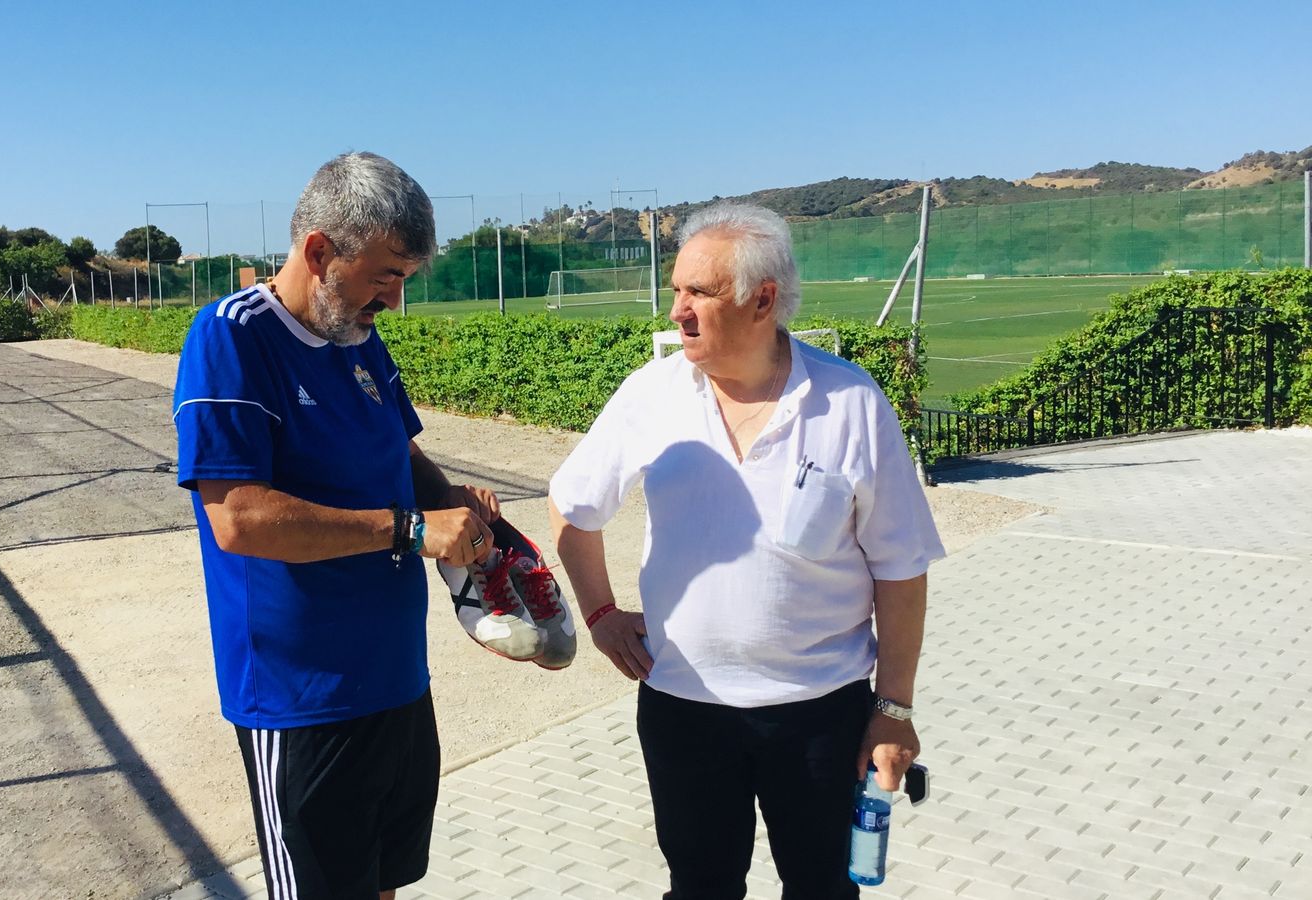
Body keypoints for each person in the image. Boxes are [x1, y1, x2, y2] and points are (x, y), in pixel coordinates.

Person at [547, 202, 944, 899]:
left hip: (821, 713)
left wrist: (895, 710)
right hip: (683, 709)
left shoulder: (849, 403)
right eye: (676, 289)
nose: (677, 310)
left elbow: (901, 570)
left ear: (762, 300)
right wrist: (602, 615)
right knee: (700, 888)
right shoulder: (651, 395)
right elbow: (572, 506)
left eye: (698, 292)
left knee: (824, 889)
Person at [173, 151, 500, 900]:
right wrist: (412, 529)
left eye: (405, 279)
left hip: (395, 678)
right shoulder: (231, 338)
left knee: (382, 883)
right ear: (319, 251)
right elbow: (239, 519)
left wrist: (459, 510)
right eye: (385, 275)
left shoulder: (356, 336)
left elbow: (401, 452)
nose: (395, 299)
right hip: (302, 698)